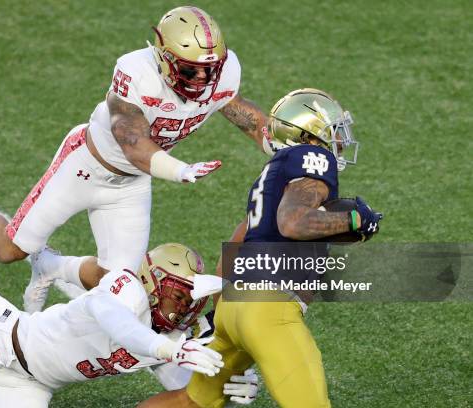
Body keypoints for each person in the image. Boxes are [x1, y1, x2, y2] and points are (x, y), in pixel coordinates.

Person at [0, 5, 273, 312]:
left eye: (210, 68)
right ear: (163, 58)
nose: (203, 78)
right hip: (84, 167)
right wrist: (179, 170)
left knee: (119, 288)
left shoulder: (220, 75)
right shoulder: (137, 72)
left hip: (130, 186)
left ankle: (52, 267)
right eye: (191, 68)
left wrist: (292, 150)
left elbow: (248, 117)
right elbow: (132, 139)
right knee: (9, 250)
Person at [137, 88, 384, 408]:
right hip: (270, 311)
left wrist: (220, 310)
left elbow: (237, 243)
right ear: (310, 134)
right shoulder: (314, 158)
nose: (339, 140)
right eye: (333, 130)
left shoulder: (273, 175)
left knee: (191, 401)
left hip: (234, 309)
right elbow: (293, 223)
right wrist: (354, 219)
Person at [0, 234, 261, 407]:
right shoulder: (124, 289)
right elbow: (115, 322)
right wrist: (168, 349)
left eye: (191, 301)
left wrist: (223, 386)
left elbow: (181, 386)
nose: (183, 310)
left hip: (30, 387)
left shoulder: (172, 335)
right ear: (152, 281)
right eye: (177, 296)